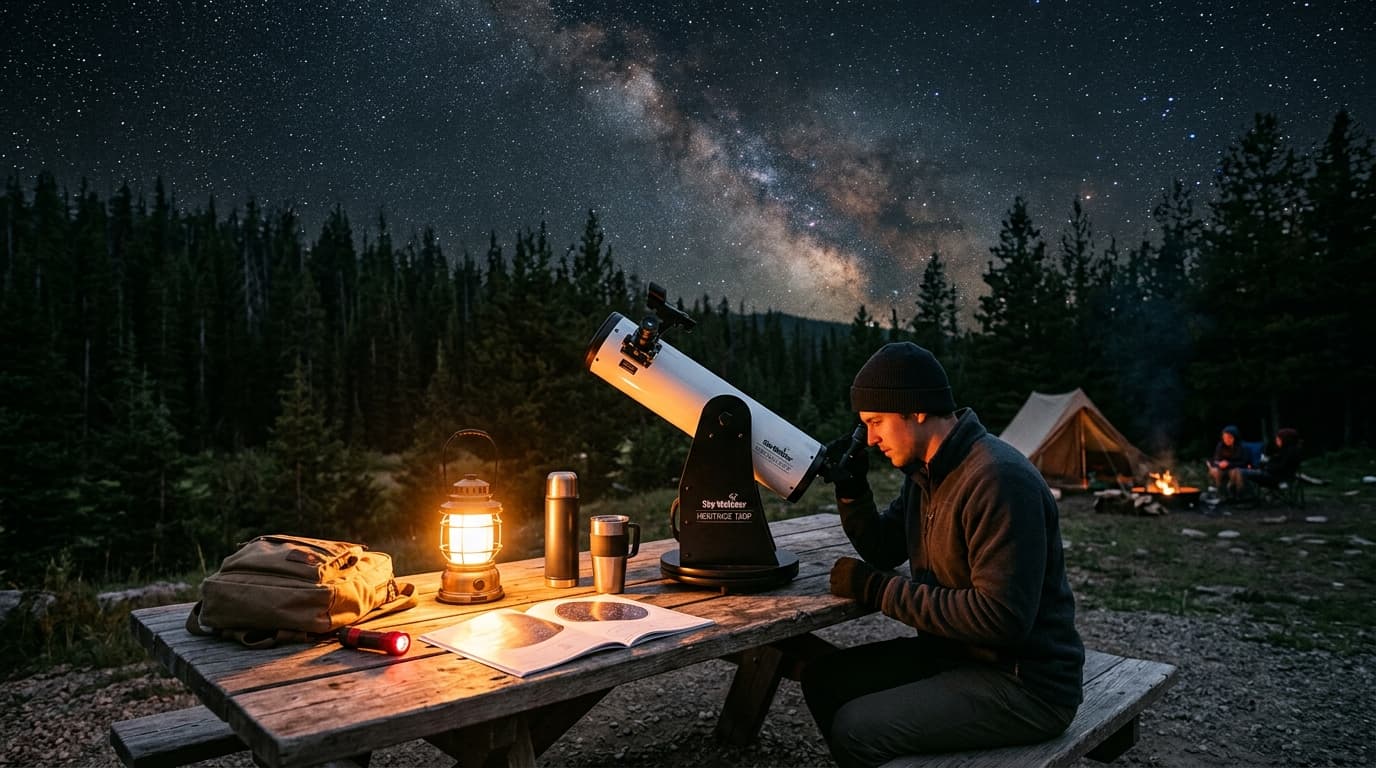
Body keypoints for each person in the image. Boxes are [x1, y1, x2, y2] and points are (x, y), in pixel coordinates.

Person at [802, 342, 1084, 767]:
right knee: (824, 678)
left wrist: (877, 590)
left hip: (1024, 683)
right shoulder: (925, 474)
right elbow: (883, 548)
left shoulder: (997, 479)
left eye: (876, 422)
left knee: (856, 729)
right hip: (956, 655)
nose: (872, 438)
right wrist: (852, 490)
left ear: (915, 410)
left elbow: (1000, 618)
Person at [1232, 427, 1302, 498]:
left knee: (1239, 471)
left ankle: (1247, 496)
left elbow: (1281, 467)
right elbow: (1275, 462)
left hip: (1275, 478)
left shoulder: (1290, 453)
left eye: (1279, 439)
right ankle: (1240, 495)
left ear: (1285, 440)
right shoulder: (1286, 450)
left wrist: (1266, 467)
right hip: (1272, 475)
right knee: (1237, 471)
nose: (1277, 441)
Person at [1207, 425, 1249, 498]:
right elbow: (1215, 460)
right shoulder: (1220, 446)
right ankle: (1220, 493)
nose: (1227, 440)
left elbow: (1244, 462)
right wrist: (1219, 464)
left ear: (1235, 437)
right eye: (1225, 437)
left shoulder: (1242, 447)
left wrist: (1229, 464)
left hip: (1235, 468)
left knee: (1235, 472)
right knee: (1215, 471)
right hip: (1222, 469)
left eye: (1229, 437)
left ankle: (1236, 494)